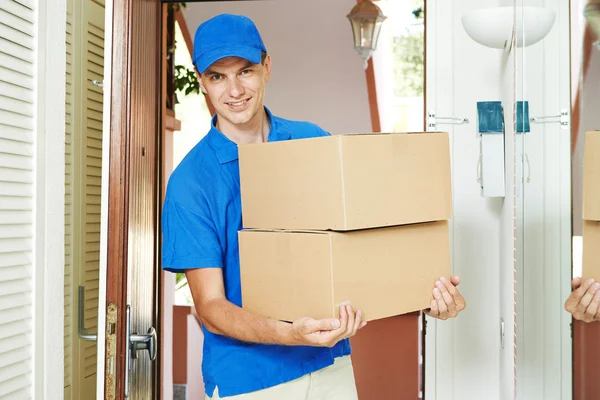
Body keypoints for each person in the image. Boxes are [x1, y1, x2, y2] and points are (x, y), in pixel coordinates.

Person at [161, 13, 467, 400]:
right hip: (249, 380)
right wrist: (288, 333)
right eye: (218, 76)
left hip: (328, 365)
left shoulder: (312, 141)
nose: (234, 89)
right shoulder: (191, 182)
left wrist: (425, 292)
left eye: (245, 71)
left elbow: (359, 238)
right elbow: (210, 307)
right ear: (202, 81)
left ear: (267, 67)